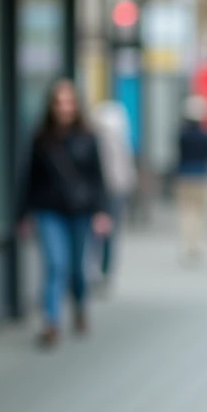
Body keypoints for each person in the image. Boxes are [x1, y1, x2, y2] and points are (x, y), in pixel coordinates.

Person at [19, 79, 111, 348]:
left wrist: (102, 211)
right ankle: (51, 322)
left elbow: (97, 178)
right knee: (56, 265)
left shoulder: (88, 137)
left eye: (69, 102)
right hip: (49, 211)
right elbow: (28, 178)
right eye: (59, 102)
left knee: (77, 270)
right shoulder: (41, 138)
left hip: (81, 211)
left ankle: (80, 307)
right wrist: (22, 214)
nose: (64, 107)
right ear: (51, 105)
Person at [89, 100, 137, 287]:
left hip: (110, 190)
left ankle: (100, 268)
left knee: (101, 231)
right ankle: (104, 268)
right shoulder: (115, 138)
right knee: (109, 231)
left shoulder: (102, 137)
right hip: (112, 190)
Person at [175, 94, 207, 261]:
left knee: (186, 211)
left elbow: (179, 154)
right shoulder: (205, 136)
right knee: (201, 211)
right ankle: (198, 242)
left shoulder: (182, 135)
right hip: (202, 174)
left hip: (185, 174)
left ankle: (187, 242)